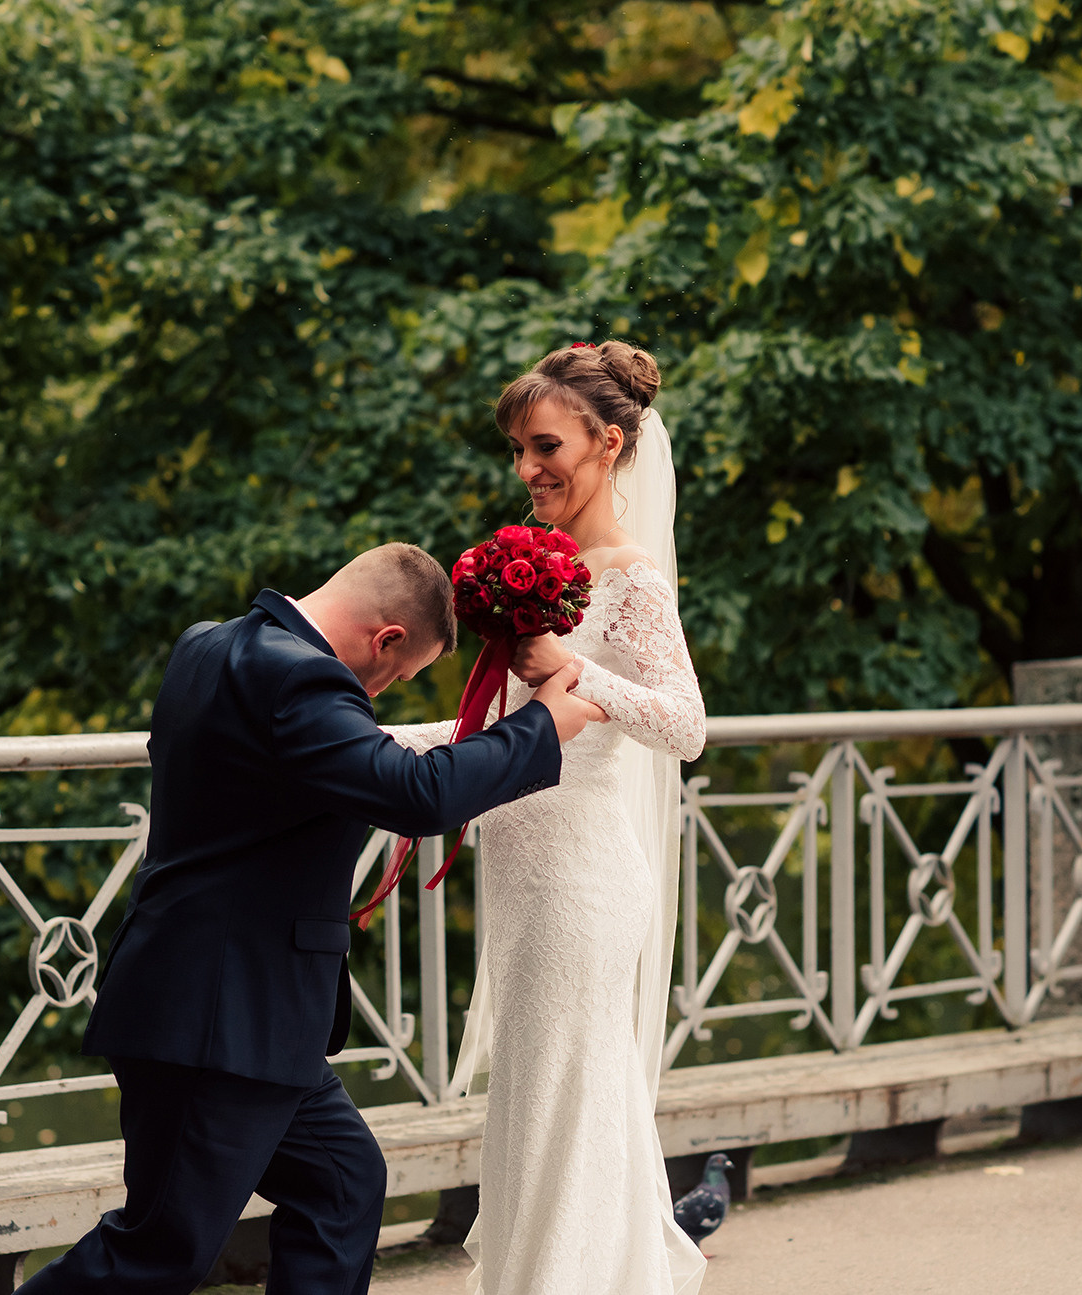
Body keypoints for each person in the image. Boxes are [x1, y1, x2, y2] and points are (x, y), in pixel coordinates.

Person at [19, 543, 606, 1295]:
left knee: (342, 1186)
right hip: (220, 1016)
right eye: (399, 675)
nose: (385, 693)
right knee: (159, 1249)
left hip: (243, 1009)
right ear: (387, 638)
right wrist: (543, 726)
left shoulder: (207, 646)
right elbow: (415, 795)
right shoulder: (300, 677)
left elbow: (304, 771)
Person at [389, 341, 707, 1294]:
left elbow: (685, 726)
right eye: (520, 450)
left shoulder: (633, 578)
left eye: (546, 446)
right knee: (545, 1096)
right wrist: (367, 741)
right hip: (525, 873)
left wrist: (576, 672)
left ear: (608, 444)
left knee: (566, 1094)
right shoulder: (548, 571)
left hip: (583, 877)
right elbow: (501, 725)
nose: (528, 469)